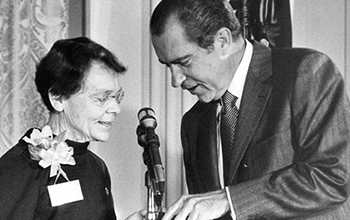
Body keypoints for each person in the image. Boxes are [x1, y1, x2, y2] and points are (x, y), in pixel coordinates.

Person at [150, 0, 350, 219]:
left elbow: (334, 176)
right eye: (168, 66)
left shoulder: (306, 72)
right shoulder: (193, 123)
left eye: (184, 62)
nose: (175, 80)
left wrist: (230, 200)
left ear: (222, 41)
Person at [0, 37, 143, 220]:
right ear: (58, 98)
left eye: (117, 96)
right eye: (102, 98)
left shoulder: (97, 166)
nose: (116, 108)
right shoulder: (19, 168)